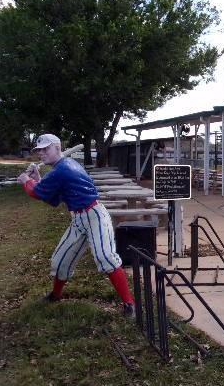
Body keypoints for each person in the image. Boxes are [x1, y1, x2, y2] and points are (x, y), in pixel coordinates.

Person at [16, 134, 135, 316]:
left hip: (95, 216)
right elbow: (51, 193)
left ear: (58, 147)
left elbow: (37, 193)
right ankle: (55, 295)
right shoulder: (65, 166)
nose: (42, 153)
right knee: (61, 260)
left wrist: (26, 181)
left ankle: (130, 304)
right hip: (79, 218)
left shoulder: (62, 170)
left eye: (46, 149)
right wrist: (38, 178)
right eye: (39, 150)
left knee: (105, 257)